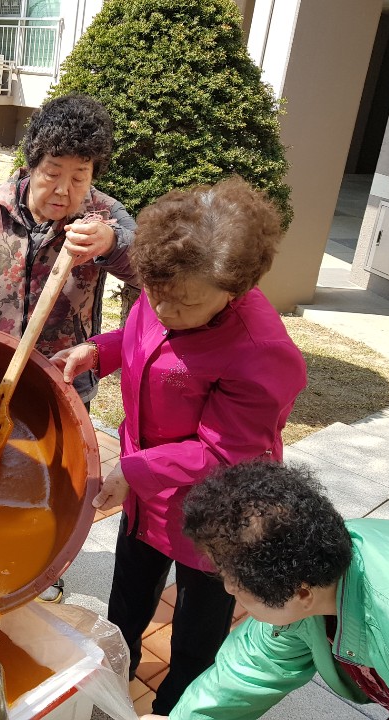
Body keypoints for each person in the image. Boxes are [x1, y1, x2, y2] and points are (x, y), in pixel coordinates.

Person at [50, 177, 308, 714]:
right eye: (155, 294)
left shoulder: (261, 350)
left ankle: (174, 707)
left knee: (197, 628)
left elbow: (224, 453)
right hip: (146, 490)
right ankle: (111, 684)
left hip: (215, 509)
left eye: (186, 304)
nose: (165, 309)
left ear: (234, 289)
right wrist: (98, 351)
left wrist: (132, 471)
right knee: (127, 599)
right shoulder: (170, 280)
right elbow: (145, 337)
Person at [0, 92, 137, 603]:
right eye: (53, 172)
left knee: (51, 479)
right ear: (32, 164)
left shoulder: (105, 218)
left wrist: (111, 244)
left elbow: (148, 270)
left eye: (80, 176)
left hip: (64, 377)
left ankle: (37, 567)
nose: (64, 189)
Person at [139, 461, 389, 720]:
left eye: (236, 581)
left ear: (300, 594)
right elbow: (251, 667)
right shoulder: (310, 566)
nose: (229, 588)